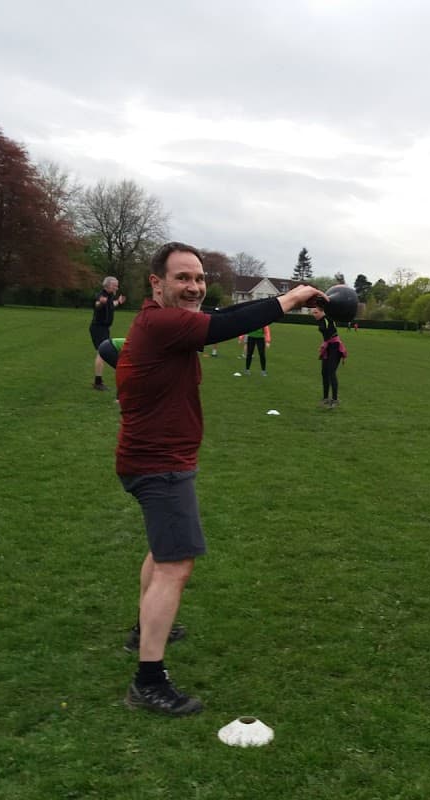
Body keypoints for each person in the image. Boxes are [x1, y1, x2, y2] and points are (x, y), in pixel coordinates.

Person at [116, 241, 325, 715]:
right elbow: (225, 325)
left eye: (199, 278)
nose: (194, 287)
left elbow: (222, 317)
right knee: (176, 564)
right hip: (159, 464)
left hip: (152, 459)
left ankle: (144, 629)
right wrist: (292, 298)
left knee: (162, 552)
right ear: (156, 283)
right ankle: (148, 681)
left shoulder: (160, 322)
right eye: (182, 278)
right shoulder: (163, 323)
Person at [90, 276, 126, 391]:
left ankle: (98, 382)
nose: (117, 287)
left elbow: (110, 305)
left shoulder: (109, 296)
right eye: (115, 285)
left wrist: (118, 302)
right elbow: (97, 304)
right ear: (108, 285)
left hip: (104, 328)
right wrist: (100, 303)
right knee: (102, 352)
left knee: (103, 351)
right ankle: (98, 382)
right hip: (98, 328)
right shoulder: (102, 294)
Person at [311, 306, 347, 407]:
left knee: (331, 372)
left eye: (316, 312)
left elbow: (331, 328)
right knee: (324, 372)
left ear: (322, 312)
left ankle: (335, 400)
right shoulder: (320, 320)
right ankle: (325, 398)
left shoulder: (328, 319)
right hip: (328, 347)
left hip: (335, 347)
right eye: (313, 313)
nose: (314, 315)